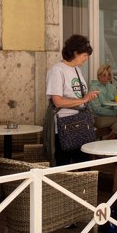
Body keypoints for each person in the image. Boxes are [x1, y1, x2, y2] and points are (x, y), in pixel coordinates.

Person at [46, 34, 99, 165]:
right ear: (75, 52)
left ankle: (84, 186)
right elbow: (57, 101)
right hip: (64, 125)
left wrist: (86, 98)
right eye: (85, 55)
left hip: (80, 122)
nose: (86, 59)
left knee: (84, 163)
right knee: (64, 164)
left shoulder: (76, 69)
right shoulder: (57, 70)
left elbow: (78, 96)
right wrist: (83, 100)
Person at [88, 64, 117, 140]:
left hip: (111, 117)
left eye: (108, 76)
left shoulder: (112, 87)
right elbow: (97, 110)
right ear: (98, 76)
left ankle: (105, 145)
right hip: (97, 117)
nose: (105, 78)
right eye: (103, 75)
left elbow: (115, 106)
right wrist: (116, 114)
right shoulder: (94, 88)